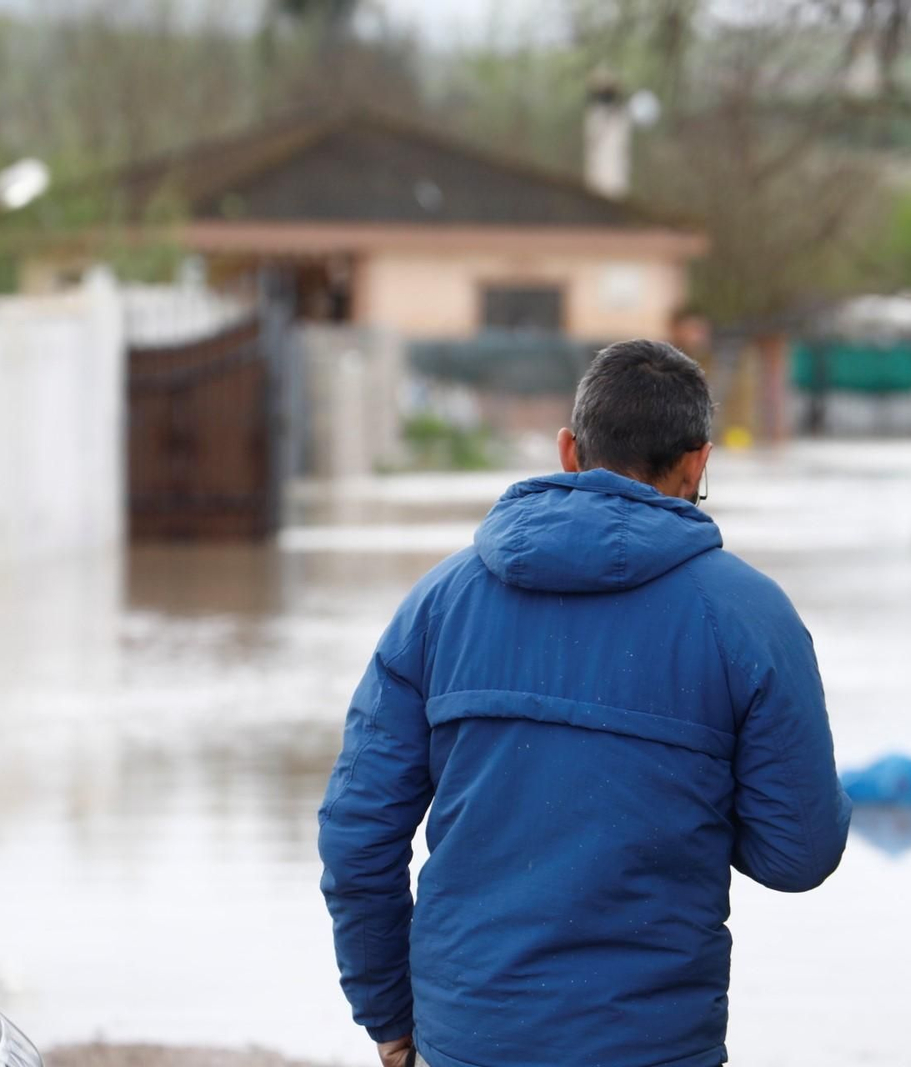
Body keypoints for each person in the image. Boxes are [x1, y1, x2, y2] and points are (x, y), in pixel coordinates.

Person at [318, 339, 853, 1067]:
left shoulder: (439, 604)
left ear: (568, 450)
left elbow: (357, 837)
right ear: (698, 464)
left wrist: (388, 1013)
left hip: (469, 1037)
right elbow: (800, 853)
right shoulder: (750, 616)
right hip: (655, 1042)